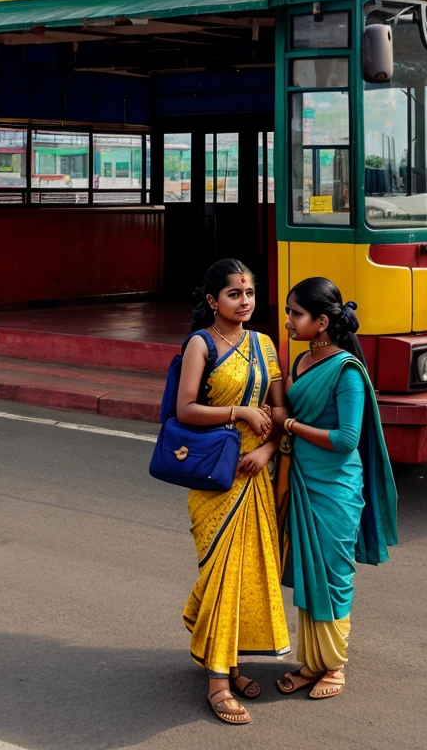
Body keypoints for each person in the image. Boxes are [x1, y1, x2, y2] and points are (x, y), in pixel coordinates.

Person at [177, 258, 290, 725]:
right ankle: (218, 684)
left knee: (246, 576)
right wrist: (239, 413)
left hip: (254, 473)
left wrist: (266, 450)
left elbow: (281, 411)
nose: (244, 302)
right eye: (234, 295)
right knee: (221, 573)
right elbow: (185, 410)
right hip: (215, 478)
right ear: (212, 301)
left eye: (249, 294)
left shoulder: (264, 345)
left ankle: (228, 661)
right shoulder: (200, 345)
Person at [274, 276, 397, 700]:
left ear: (322, 321)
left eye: (296, 314)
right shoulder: (301, 362)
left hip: (336, 487)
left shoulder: (345, 371)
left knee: (333, 573)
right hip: (304, 480)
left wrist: (289, 425)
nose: (288, 321)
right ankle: (311, 664)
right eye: (289, 312)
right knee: (309, 572)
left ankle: (335, 666)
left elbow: (346, 439)